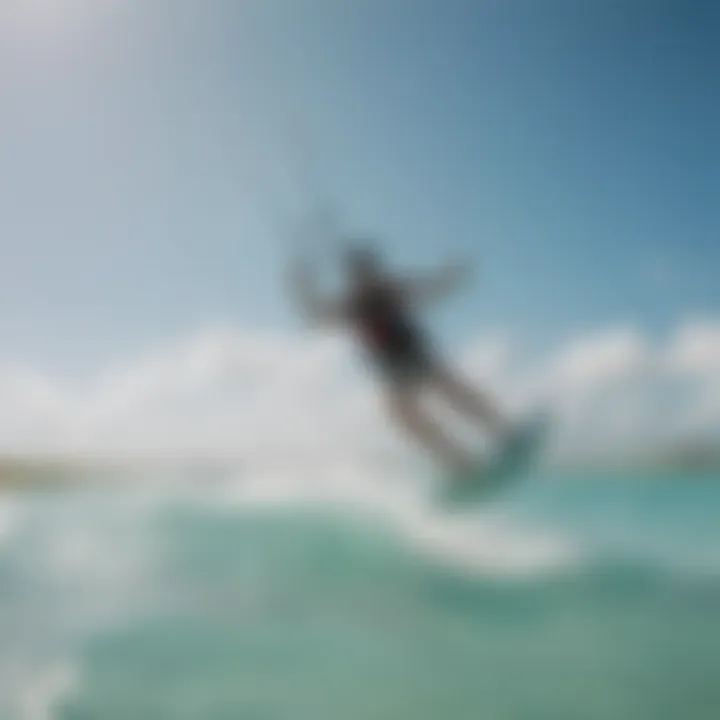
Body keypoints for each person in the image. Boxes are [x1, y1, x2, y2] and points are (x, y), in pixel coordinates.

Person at [287, 244, 509, 472]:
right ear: (353, 279)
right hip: (392, 374)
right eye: (361, 276)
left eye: (369, 273)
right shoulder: (350, 305)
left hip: (418, 359)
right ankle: (460, 462)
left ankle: (503, 432)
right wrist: (301, 286)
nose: (367, 279)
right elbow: (316, 317)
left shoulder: (392, 289)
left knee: (453, 392)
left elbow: (431, 288)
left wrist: (453, 274)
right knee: (403, 416)